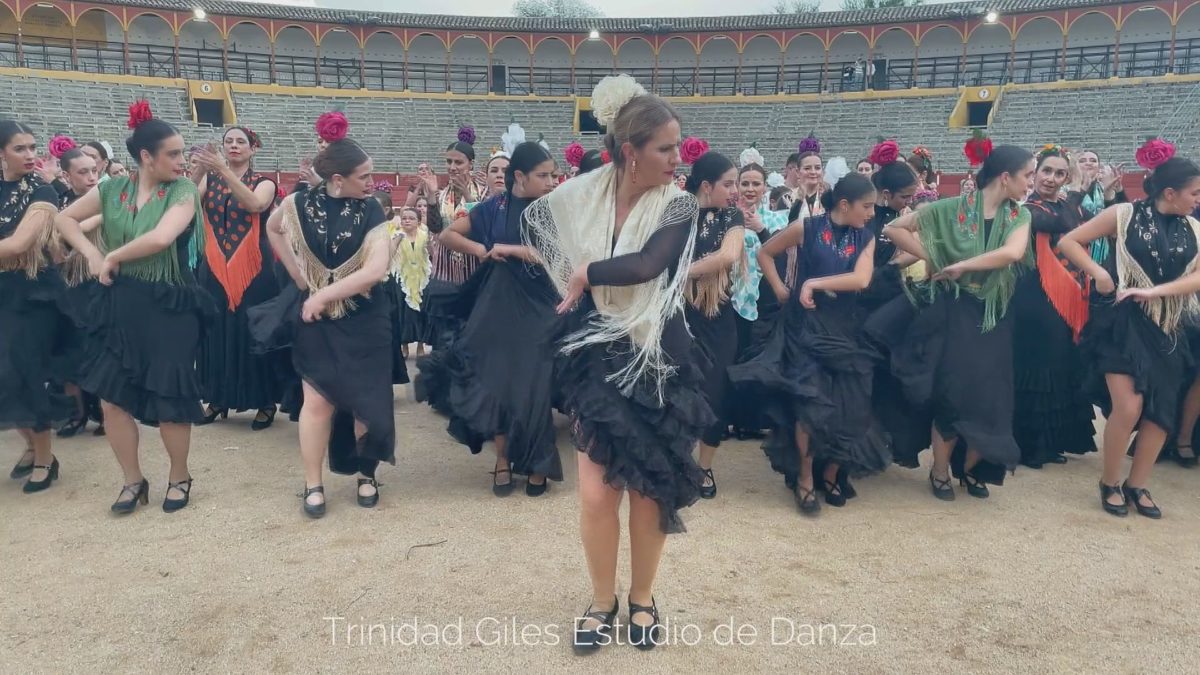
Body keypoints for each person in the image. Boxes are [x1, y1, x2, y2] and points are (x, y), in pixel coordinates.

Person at [522, 76, 710, 653]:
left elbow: (651, 263)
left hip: (657, 360)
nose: (678, 159)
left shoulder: (678, 204)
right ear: (631, 152)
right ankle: (602, 601)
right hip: (599, 357)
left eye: (677, 147)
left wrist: (587, 274)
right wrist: (571, 274)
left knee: (650, 492)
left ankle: (643, 599)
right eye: (666, 148)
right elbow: (538, 218)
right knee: (599, 495)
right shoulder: (585, 193)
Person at [55, 103, 211, 513]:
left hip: (169, 304)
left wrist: (112, 255)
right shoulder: (111, 189)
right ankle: (133, 481)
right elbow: (64, 220)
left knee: (171, 395)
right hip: (120, 302)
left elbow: (162, 238)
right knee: (111, 398)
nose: (182, 161)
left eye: (182, 153)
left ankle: (179, 476)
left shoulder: (183, 190)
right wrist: (91, 254)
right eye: (174, 154)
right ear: (146, 157)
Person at [871, 145, 1034, 501]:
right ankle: (941, 469)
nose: (1030, 183)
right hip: (954, 310)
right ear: (1006, 178)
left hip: (994, 312)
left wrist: (964, 264)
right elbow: (895, 228)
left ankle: (974, 468)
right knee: (953, 391)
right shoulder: (949, 209)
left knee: (991, 395)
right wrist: (935, 256)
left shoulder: (1018, 216)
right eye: (1028, 175)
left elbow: (1013, 253)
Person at [730, 173, 889, 513]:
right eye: (867, 206)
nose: (872, 213)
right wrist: (780, 289)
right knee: (809, 404)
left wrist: (813, 282)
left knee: (852, 407)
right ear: (844, 205)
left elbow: (861, 278)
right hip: (804, 329)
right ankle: (804, 477)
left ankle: (831, 473)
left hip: (846, 329)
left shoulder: (866, 236)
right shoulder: (808, 227)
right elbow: (766, 254)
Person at [258, 137, 396, 518]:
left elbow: (375, 270)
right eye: (364, 176)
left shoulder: (370, 210)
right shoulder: (297, 203)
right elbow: (272, 228)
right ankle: (313, 483)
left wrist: (320, 294)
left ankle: (366, 474)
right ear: (338, 178)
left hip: (365, 315)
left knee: (366, 400)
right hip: (317, 318)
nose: (372, 182)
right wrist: (301, 279)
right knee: (317, 401)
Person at [1059, 153, 1200, 519]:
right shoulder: (1123, 215)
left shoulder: (1195, 229)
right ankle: (1109, 481)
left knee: (1159, 413)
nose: (1198, 199)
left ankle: (1137, 485)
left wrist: (1157, 292)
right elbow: (1070, 242)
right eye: (1195, 193)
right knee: (1129, 407)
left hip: (1168, 327)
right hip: (1121, 323)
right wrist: (1098, 273)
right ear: (1170, 192)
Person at [425, 141, 561, 496]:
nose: (550, 182)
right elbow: (447, 235)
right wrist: (482, 251)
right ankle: (501, 460)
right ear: (520, 176)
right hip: (497, 307)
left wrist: (509, 249)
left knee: (534, 386)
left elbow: (552, 256)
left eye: (552, 175)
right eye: (543, 175)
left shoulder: (551, 210)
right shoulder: (493, 207)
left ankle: (536, 463)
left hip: (538, 309)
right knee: (497, 383)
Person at [190, 126, 283, 430]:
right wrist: (200, 170)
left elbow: (256, 205)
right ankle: (217, 397)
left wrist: (223, 171)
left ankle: (265, 400)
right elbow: (186, 201)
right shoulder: (210, 177)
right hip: (214, 263)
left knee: (252, 329)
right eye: (228, 141)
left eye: (240, 142)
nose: (233, 146)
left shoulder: (264, 182)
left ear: (253, 149)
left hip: (254, 267)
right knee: (216, 329)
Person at [1011, 144, 1096, 468]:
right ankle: (1030, 446)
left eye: (1060, 173)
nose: (1052, 178)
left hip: (1068, 294)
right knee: (1037, 369)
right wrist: (1077, 192)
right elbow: (1056, 224)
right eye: (1046, 171)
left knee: (1060, 367)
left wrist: (1110, 197)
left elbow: (1094, 223)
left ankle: (1051, 441)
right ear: (1034, 174)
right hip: (1034, 297)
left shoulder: (1066, 205)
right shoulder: (1026, 208)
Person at [0, 120, 73, 493]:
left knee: (27, 374)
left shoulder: (43, 191)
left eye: (32, 147)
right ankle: (29, 444)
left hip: (32, 297)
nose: (31, 155)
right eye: (20, 149)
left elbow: (19, 244)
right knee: (4, 379)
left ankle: (46, 456)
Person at [682, 151, 745, 498]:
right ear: (706, 186)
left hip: (717, 318)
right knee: (676, 390)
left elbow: (728, 255)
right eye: (729, 183)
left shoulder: (731, 216)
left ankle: (704, 468)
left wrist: (681, 274)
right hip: (678, 317)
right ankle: (678, 458)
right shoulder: (676, 213)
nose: (735, 190)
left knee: (715, 394)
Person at [51, 146, 104, 438]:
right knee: (70, 353)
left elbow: (79, 228)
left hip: (99, 284)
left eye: (94, 170)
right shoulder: (58, 201)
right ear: (67, 175)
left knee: (101, 351)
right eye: (83, 172)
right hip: (68, 287)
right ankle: (78, 413)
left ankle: (106, 412)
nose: (92, 177)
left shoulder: (106, 201)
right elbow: (54, 249)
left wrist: (63, 230)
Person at [422, 137, 487, 348]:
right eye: (449, 162)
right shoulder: (441, 195)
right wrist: (431, 196)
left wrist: (467, 194)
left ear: (471, 164)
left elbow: (482, 227)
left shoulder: (485, 193)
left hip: (474, 272)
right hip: (445, 272)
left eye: (458, 162)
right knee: (444, 339)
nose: (452, 167)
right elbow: (435, 228)